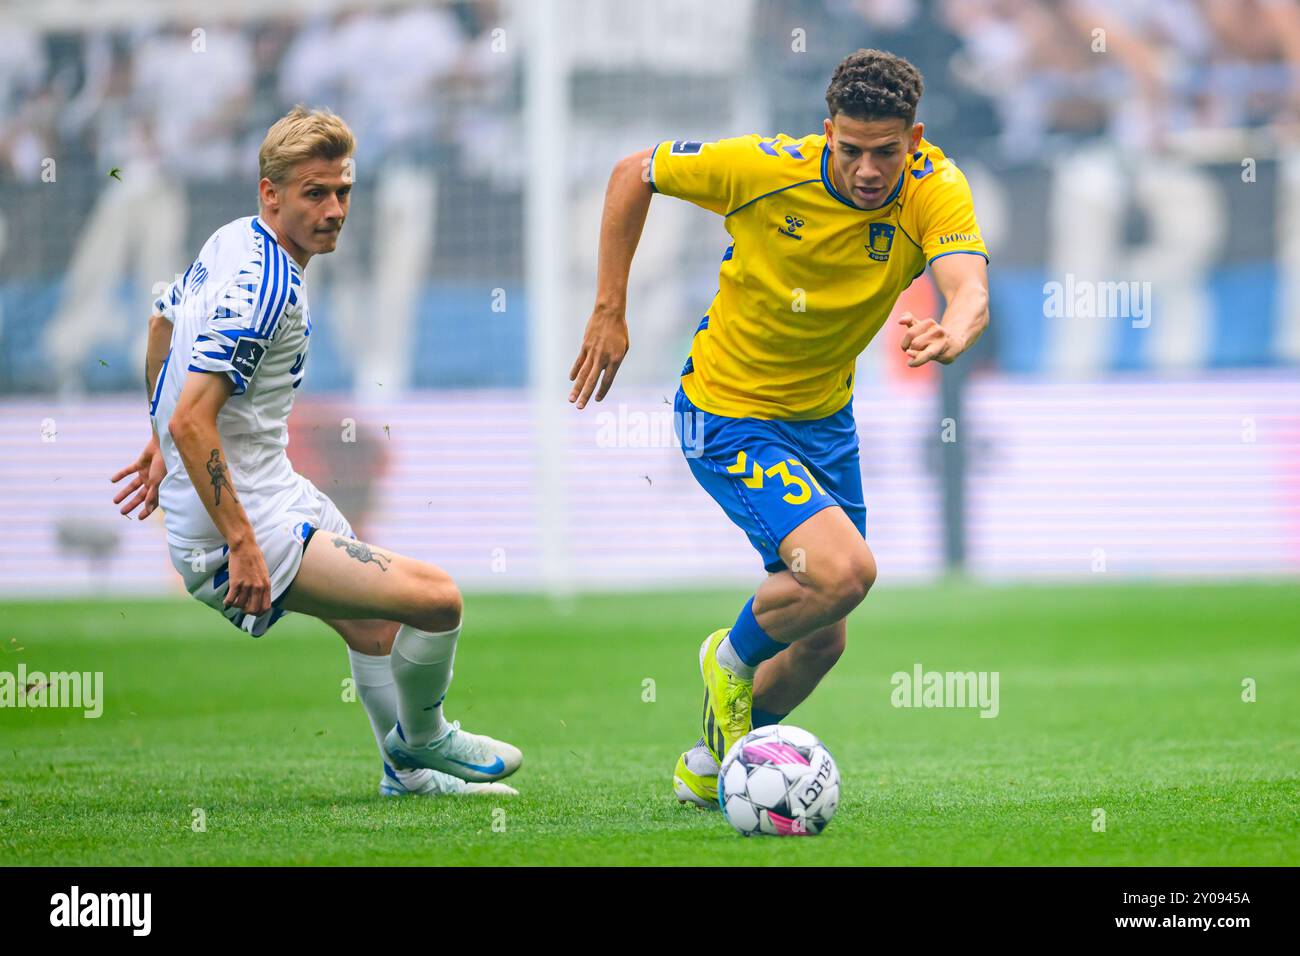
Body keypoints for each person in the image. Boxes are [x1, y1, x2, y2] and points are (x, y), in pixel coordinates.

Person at [569, 50, 990, 808]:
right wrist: (609, 307)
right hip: (726, 412)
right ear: (826, 130)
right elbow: (635, 171)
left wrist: (955, 328)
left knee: (824, 634)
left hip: (823, 422)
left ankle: (713, 762)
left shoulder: (937, 188)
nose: (867, 169)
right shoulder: (764, 169)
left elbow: (968, 288)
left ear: (914, 140)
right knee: (844, 573)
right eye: (850, 148)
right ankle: (727, 662)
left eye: (885, 152)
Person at [111, 105, 521, 797]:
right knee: (438, 600)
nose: (335, 210)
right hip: (239, 524)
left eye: (344, 192)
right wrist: (238, 538)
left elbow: (161, 322)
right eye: (315, 193)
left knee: (373, 626)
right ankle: (426, 741)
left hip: (270, 488)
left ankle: (407, 777)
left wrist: (161, 437)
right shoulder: (267, 290)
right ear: (270, 192)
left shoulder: (231, 239)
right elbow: (193, 420)